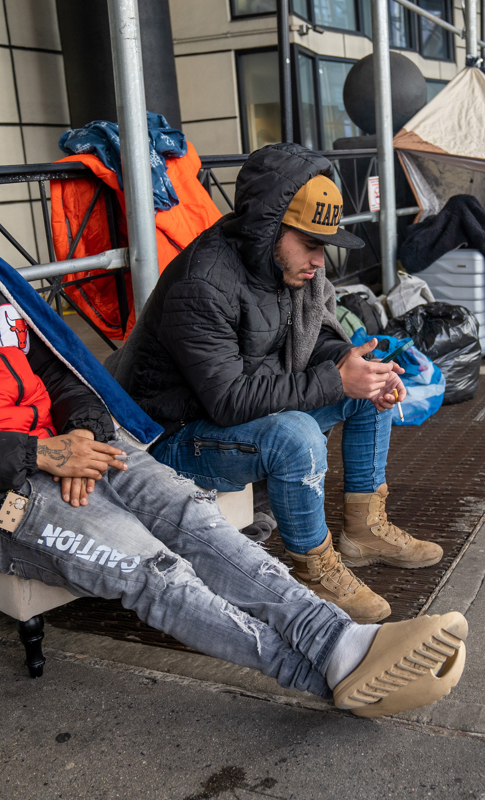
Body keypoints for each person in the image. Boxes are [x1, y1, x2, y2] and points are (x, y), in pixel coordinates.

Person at [0, 145, 469, 718]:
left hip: (76, 452)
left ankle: (340, 641)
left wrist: (88, 435)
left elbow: (63, 371)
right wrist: (41, 452)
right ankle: (323, 674)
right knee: (154, 569)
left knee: (192, 516)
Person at [107, 143, 441, 625]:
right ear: (268, 231)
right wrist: (334, 379)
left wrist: (355, 367)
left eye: (323, 246)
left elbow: (315, 343)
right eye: (310, 244)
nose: (320, 261)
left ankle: (364, 533)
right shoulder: (203, 284)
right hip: (172, 436)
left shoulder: (287, 270)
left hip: (233, 412)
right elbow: (229, 400)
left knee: (368, 385)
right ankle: (310, 567)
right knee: (295, 436)